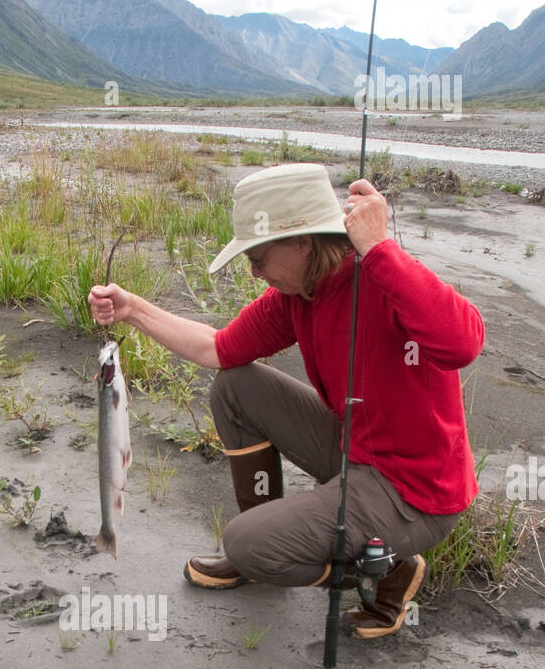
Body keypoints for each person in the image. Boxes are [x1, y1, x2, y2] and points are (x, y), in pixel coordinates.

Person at [88, 162, 484, 638]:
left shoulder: (385, 277)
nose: (255, 273)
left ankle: (384, 572)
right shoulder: (298, 294)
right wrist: (134, 309)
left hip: (414, 492)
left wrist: (380, 248)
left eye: (258, 258)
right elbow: (218, 349)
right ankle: (265, 549)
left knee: (246, 543)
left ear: (304, 242)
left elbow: (464, 344)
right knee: (236, 386)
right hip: (355, 449)